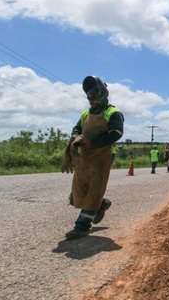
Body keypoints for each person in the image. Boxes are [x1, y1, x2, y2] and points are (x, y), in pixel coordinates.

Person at [62, 76, 124, 240]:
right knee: (80, 188)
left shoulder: (113, 113)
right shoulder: (85, 114)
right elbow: (76, 128)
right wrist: (75, 139)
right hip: (84, 158)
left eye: (95, 98)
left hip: (102, 157)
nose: (92, 102)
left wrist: (90, 142)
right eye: (90, 99)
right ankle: (101, 204)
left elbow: (115, 134)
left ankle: (81, 226)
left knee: (94, 188)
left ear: (103, 95)